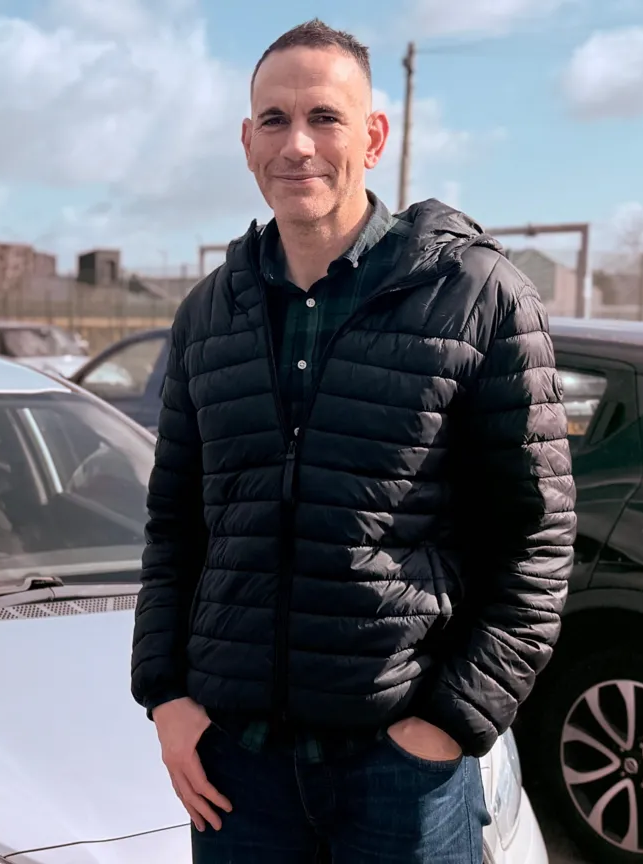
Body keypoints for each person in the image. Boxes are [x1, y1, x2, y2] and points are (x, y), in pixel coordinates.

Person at [130, 18, 577, 864]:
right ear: (246, 141)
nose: (297, 144)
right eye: (273, 120)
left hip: (399, 774)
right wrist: (167, 698)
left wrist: (449, 723)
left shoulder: (477, 298)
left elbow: (537, 540)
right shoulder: (208, 315)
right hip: (237, 775)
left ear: (373, 137)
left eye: (324, 118)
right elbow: (175, 526)